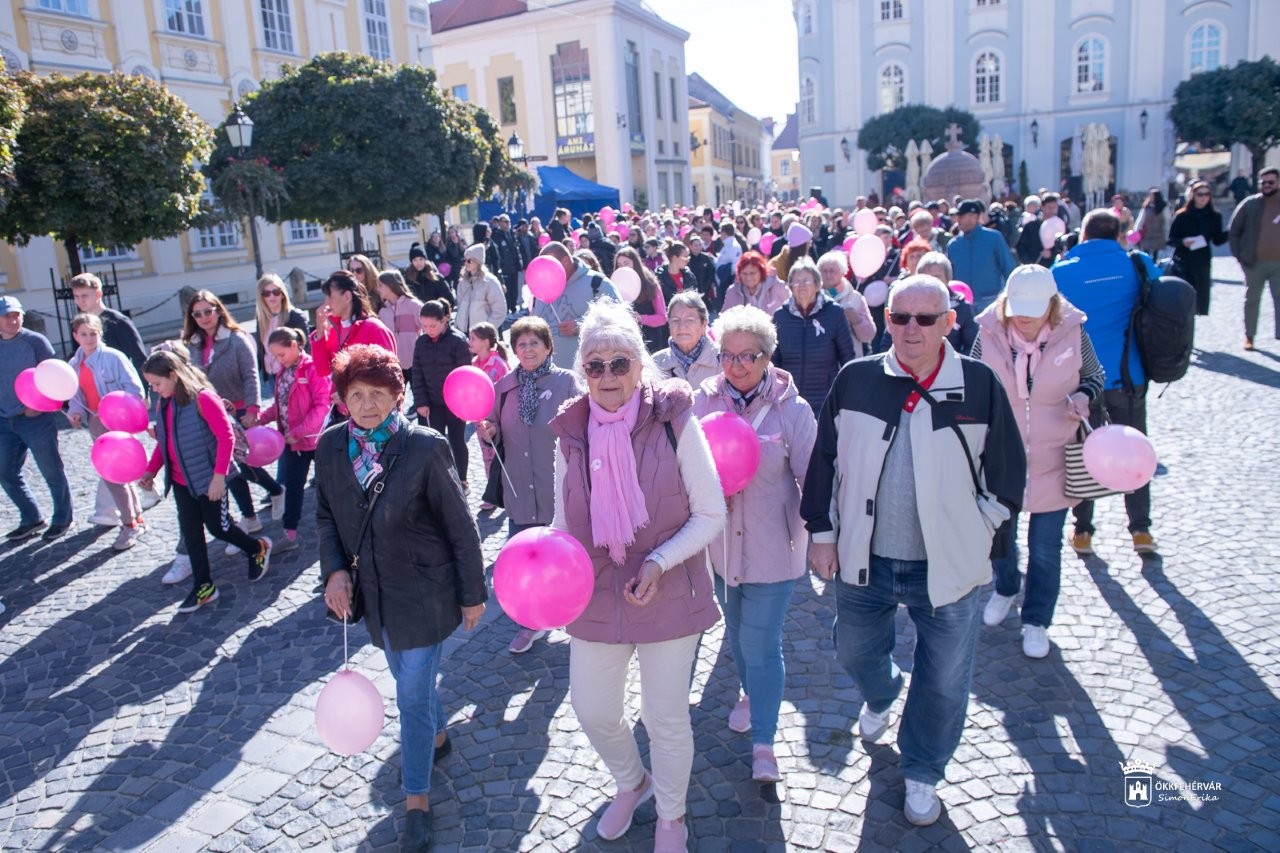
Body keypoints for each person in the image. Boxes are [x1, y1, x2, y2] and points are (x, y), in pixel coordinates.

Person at [802, 274, 1026, 827]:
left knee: (946, 677)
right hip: (865, 557)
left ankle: (923, 769)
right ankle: (882, 692)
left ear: (950, 323)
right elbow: (825, 458)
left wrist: (980, 531)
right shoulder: (856, 378)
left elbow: (1007, 475)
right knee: (854, 651)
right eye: (900, 317)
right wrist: (822, 532)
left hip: (948, 565)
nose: (911, 329)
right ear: (886, 322)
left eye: (926, 318)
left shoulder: (979, 384)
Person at [549, 299, 725, 851]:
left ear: (640, 364)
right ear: (582, 371)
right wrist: (546, 570)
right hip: (597, 592)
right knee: (593, 708)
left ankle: (672, 816)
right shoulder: (570, 433)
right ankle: (633, 782)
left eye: (619, 362)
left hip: (668, 585)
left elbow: (711, 512)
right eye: (595, 364)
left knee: (663, 714)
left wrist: (658, 561)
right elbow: (561, 521)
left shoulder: (674, 419)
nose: (606, 375)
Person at [316, 344, 486, 853]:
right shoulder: (329, 447)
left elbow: (461, 528)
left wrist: (472, 594)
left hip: (425, 593)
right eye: (357, 395)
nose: (367, 405)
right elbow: (326, 517)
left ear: (398, 395)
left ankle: (416, 802)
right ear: (344, 400)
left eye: (378, 394)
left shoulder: (425, 447)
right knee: (404, 675)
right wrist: (333, 574)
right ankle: (438, 738)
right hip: (374, 597)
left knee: (410, 694)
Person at [692, 305, 817, 784]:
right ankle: (749, 690)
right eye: (728, 355)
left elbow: (812, 478)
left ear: (768, 357)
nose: (737, 365)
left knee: (761, 644)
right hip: (720, 550)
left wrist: (823, 537)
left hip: (775, 548)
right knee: (739, 636)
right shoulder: (702, 404)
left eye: (750, 356)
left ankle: (764, 741)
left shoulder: (793, 409)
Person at [971, 266, 1105, 658]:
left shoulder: (1073, 332)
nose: (1024, 318)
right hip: (1004, 458)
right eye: (1018, 309)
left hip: (1056, 455)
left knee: (1045, 548)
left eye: (1033, 310)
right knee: (1001, 539)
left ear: (1052, 306)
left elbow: (1095, 376)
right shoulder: (989, 333)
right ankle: (1006, 586)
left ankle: (1036, 619)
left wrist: (1083, 395)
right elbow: (974, 381)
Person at [1053, 209, 1162, 555]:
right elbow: (1160, 298)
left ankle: (1083, 531)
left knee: (1084, 455)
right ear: (1119, 235)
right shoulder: (1137, 264)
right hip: (1127, 374)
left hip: (1080, 379)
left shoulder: (1062, 270)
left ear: (1082, 234)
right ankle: (1140, 531)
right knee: (1136, 450)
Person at [139, 351, 272, 612]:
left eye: (157, 383)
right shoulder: (164, 403)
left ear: (173, 376)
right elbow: (165, 443)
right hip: (181, 482)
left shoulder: (203, 398)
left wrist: (219, 478)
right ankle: (204, 586)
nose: (154, 390)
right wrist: (151, 471)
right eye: (151, 385)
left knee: (218, 527)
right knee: (191, 535)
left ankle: (257, 547)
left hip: (209, 479)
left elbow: (226, 438)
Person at [476, 317, 579, 653]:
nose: (528, 349)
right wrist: (488, 432)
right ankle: (530, 623)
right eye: (522, 344)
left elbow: (585, 429)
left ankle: (579, 617)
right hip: (519, 488)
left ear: (548, 346)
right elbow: (492, 427)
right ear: (515, 349)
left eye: (535, 342)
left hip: (559, 490)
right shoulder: (504, 386)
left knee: (569, 558)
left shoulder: (567, 382)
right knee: (525, 562)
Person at [182, 290, 284, 548]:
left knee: (242, 465)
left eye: (208, 311)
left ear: (218, 310)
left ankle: (274, 489)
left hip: (237, 409)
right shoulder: (191, 344)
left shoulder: (237, 339)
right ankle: (250, 517)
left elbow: (251, 375)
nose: (204, 317)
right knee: (230, 471)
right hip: (208, 412)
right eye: (198, 313)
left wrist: (252, 408)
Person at [67, 313, 146, 550]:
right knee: (114, 474)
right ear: (75, 336)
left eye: (93, 333)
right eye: (84, 334)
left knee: (115, 475)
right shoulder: (74, 365)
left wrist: (116, 408)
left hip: (117, 420)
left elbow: (135, 389)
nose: (89, 338)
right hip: (95, 421)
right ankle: (136, 518)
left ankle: (129, 524)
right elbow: (74, 396)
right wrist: (75, 412)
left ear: (101, 334)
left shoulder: (114, 357)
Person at [251, 327, 332, 553]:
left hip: (315, 441)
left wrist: (298, 430)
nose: (279, 360)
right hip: (292, 443)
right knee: (293, 488)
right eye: (275, 356)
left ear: (295, 346)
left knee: (331, 487)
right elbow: (281, 405)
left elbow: (321, 407)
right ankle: (290, 534)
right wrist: (262, 419)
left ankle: (344, 528)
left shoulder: (313, 367)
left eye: (281, 354)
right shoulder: (284, 371)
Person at [0, 297, 73, 542]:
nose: (13, 320)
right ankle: (31, 517)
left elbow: (56, 376)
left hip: (35, 419)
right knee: (6, 472)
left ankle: (63, 518)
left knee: (51, 470)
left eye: (16, 315)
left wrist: (37, 406)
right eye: (7, 316)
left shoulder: (35, 342)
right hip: (4, 420)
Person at [771, 259, 857, 416]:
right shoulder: (780, 316)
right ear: (790, 286)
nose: (801, 285)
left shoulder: (834, 313)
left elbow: (847, 357)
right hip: (788, 400)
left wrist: (846, 394)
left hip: (825, 401)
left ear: (818, 285)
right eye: (796, 281)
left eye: (806, 280)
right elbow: (774, 359)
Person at [411, 300, 473, 488]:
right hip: (430, 403)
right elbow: (417, 373)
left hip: (455, 403)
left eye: (433, 325)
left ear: (445, 319)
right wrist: (420, 402)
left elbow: (465, 374)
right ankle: (436, 480)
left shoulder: (458, 341)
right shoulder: (421, 342)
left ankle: (461, 479)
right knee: (431, 443)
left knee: (457, 441)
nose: (428, 330)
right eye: (424, 326)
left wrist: (462, 403)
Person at [530, 242, 620, 370]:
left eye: (551, 266)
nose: (545, 272)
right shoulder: (540, 289)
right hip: (549, 377)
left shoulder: (597, 284)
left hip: (590, 376)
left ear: (566, 261)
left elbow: (619, 321)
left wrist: (581, 326)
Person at [1227, 166, 1280, 350]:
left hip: (1278, 264)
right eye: (1262, 182)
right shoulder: (1249, 204)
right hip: (1254, 263)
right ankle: (1249, 336)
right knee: (1252, 300)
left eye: (1270, 182)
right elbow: (1233, 231)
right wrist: (1239, 257)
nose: (1266, 186)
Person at [311, 270, 397, 378]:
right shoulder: (334, 330)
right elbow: (322, 371)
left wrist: (354, 392)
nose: (326, 303)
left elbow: (389, 375)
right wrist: (320, 331)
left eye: (330, 297)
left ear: (347, 296)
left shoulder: (374, 328)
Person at [1168, 179, 1228, 317]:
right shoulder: (1182, 215)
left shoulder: (1214, 216)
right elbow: (1171, 239)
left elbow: (1217, 240)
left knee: (1199, 303)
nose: (1203, 197)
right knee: (1183, 302)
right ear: (1193, 196)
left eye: (1207, 194)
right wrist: (1183, 241)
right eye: (1200, 194)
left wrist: (1232, 231)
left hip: (1202, 262)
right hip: (1183, 261)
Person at [70, 272, 147, 375]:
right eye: (76, 296)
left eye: (84, 296)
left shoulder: (118, 321)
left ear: (98, 294)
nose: (80, 301)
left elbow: (139, 358)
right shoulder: (79, 324)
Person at [949, 199, 1018, 312]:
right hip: (962, 304)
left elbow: (1008, 267)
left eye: (961, 216)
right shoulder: (953, 245)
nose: (957, 220)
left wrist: (1013, 296)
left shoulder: (994, 238)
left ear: (974, 217)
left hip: (991, 301)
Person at [254, 273, 309, 393]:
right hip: (271, 376)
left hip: (293, 375)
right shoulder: (261, 320)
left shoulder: (295, 316)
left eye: (276, 292)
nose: (272, 296)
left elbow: (306, 348)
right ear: (261, 297)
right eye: (266, 293)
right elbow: (261, 350)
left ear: (283, 294)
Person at [917, 252, 978, 354]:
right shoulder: (908, 305)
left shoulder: (962, 307)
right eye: (927, 277)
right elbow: (889, 342)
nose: (932, 281)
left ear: (947, 278)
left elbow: (972, 345)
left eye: (937, 277)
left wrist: (958, 365)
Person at [654, 292, 720, 388]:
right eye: (675, 320)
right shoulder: (657, 363)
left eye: (690, 320)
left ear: (704, 324)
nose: (682, 326)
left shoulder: (722, 359)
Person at [816, 251, 877, 345]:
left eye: (832, 271)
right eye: (824, 271)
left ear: (843, 272)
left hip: (850, 357)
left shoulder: (856, 298)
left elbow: (869, 336)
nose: (828, 275)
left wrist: (857, 320)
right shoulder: (811, 297)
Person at [615, 246, 667, 353]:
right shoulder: (615, 285)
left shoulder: (651, 284)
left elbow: (662, 318)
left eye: (626, 263)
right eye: (619, 265)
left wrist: (641, 318)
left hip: (650, 342)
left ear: (635, 263)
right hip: (626, 342)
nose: (623, 268)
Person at [375, 269, 424, 376]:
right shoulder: (382, 312)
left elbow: (426, 330)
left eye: (380, 285)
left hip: (415, 363)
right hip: (393, 365)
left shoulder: (415, 306)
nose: (378, 289)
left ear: (391, 285)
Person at [454, 244, 507, 334]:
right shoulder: (463, 281)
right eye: (465, 260)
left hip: (483, 335)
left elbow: (500, 310)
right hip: (463, 332)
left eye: (469, 260)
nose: (466, 263)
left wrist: (487, 329)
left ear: (478, 261)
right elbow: (460, 306)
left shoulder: (489, 281)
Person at [722, 251, 788, 316]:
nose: (748, 278)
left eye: (752, 273)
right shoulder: (733, 291)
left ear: (761, 271)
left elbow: (792, 309)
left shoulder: (778, 286)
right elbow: (723, 319)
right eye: (744, 273)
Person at [491, 213, 527, 315]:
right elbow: (498, 254)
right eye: (506, 222)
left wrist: (519, 264)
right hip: (505, 268)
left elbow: (516, 250)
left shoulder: (511, 234)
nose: (508, 224)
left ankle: (513, 309)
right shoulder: (497, 235)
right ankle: (506, 311)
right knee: (507, 290)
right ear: (500, 223)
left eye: (509, 222)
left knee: (514, 289)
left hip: (514, 267)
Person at [1015, 193, 1063, 267]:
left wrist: (1052, 254)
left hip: (1054, 268)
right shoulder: (1031, 226)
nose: (1052, 210)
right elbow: (1021, 247)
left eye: (1054, 207)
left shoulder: (1061, 226)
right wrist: (1028, 263)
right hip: (1034, 267)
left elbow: (1064, 248)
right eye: (1049, 207)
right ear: (1042, 207)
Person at [405, 243, 455, 307]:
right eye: (415, 260)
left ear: (425, 260)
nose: (418, 263)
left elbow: (449, 300)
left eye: (421, 259)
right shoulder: (408, 280)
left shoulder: (436, 278)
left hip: (435, 314)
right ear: (411, 262)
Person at [1135, 189, 1169, 262]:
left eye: (1152, 195)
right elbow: (1140, 220)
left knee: (1156, 256)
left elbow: (1167, 222)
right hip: (1146, 235)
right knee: (1145, 255)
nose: (1150, 197)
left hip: (1158, 236)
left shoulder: (1163, 207)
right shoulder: (1146, 207)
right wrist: (1136, 231)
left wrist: (1167, 236)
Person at [685, 234, 718, 309]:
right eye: (696, 245)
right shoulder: (687, 260)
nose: (698, 247)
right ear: (690, 246)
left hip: (705, 290)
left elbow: (710, 273)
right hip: (691, 291)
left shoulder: (706, 258)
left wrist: (706, 288)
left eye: (700, 245)